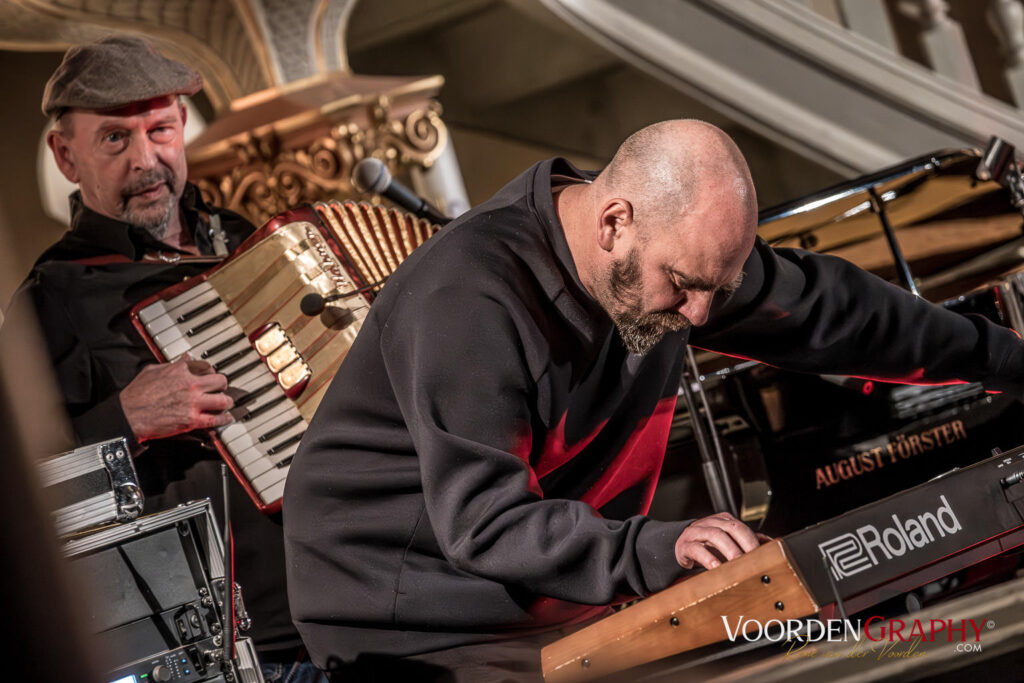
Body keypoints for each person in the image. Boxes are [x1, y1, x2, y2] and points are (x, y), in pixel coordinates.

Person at [282, 119, 1024, 681]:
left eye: (717, 290)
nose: (701, 316)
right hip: (408, 618)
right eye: (686, 285)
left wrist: (1005, 361)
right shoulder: (468, 297)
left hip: (539, 592)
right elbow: (485, 521)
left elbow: (832, 312)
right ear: (614, 222)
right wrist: (656, 547)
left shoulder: (670, 258)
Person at [4, 35, 325, 683]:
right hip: (219, 646)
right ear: (66, 156)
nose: (147, 159)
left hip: (347, 599)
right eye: (115, 139)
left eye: (160, 130)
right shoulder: (50, 300)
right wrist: (124, 418)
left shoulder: (247, 239)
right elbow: (22, 496)